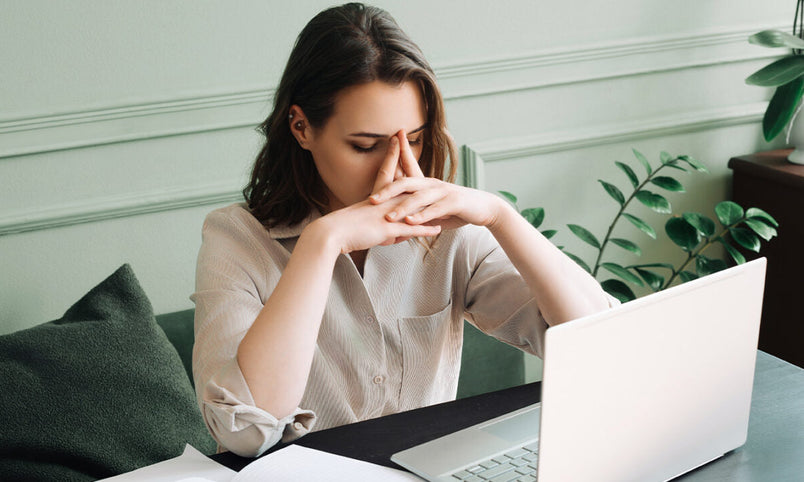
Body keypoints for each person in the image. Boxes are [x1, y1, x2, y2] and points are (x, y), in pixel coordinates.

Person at [191, 2, 613, 458]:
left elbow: (602, 346)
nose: (395, 169)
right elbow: (244, 432)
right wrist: (322, 243)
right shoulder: (235, 239)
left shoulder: (445, 229)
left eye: (411, 139)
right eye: (365, 145)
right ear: (301, 127)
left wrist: (499, 215)